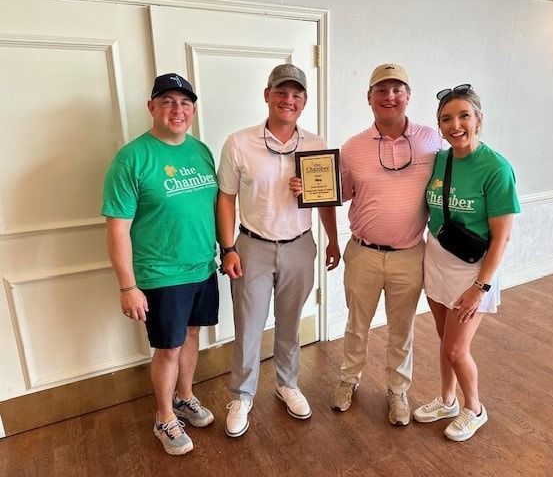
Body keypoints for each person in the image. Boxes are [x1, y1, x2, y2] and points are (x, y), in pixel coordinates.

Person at [217, 63, 340, 438]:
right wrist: (227, 249)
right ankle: (241, 394)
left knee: (290, 324)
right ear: (267, 95)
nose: (289, 100)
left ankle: (287, 384)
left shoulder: (316, 145)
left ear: (303, 102)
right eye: (282, 92)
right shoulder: (239, 143)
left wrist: (333, 239)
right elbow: (225, 198)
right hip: (251, 247)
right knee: (249, 327)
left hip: (300, 247)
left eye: (297, 95)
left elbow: (326, 200)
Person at [102, 73, 219, 455]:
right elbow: (117, 227)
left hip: (203, 266)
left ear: (193, 110)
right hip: (161, 274)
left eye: (185, 103)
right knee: (167, 348)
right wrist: (127, 285)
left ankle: (185, 396)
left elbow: (213, 206)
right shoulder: (132, 158)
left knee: (192, 336)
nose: (177, 110)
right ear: (152, 107)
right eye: (168, 101)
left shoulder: (201, 151)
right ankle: (164, 416)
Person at [328, 63, 441, 425]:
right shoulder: (353, 147)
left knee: (401, 329)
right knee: (356, 324)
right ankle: (349, 379)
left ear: (408, 96)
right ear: (369, 98)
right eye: (381, 90)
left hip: (410, 254)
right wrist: (308, 189)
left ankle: (398, 390)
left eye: (397, 89)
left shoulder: (432, 142)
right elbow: (340, 192)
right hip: (363, 252)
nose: (389, 97)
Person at [413, 84, 520, 441]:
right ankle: (447, 401)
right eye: (447, 118)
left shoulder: (496, 168)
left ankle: (474, 407)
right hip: (437, 259)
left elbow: (502, 237)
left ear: (479, 119)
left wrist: (480, 287)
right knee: (445, 339)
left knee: (457, 348)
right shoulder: (440, 159)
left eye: (464, 116)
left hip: (473, 271)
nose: (455, 125)